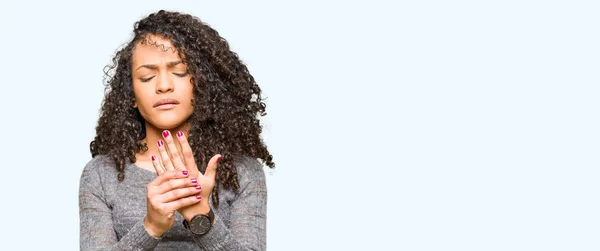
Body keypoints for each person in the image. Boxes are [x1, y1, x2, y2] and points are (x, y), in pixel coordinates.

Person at [79, 9, 275, 250]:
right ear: (131, 95)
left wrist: (200, 214)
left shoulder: (242, 172)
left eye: (180, 72)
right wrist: (151, 227)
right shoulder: (100, 175)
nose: (163, 86)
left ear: (201, 83)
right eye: (147, 77)